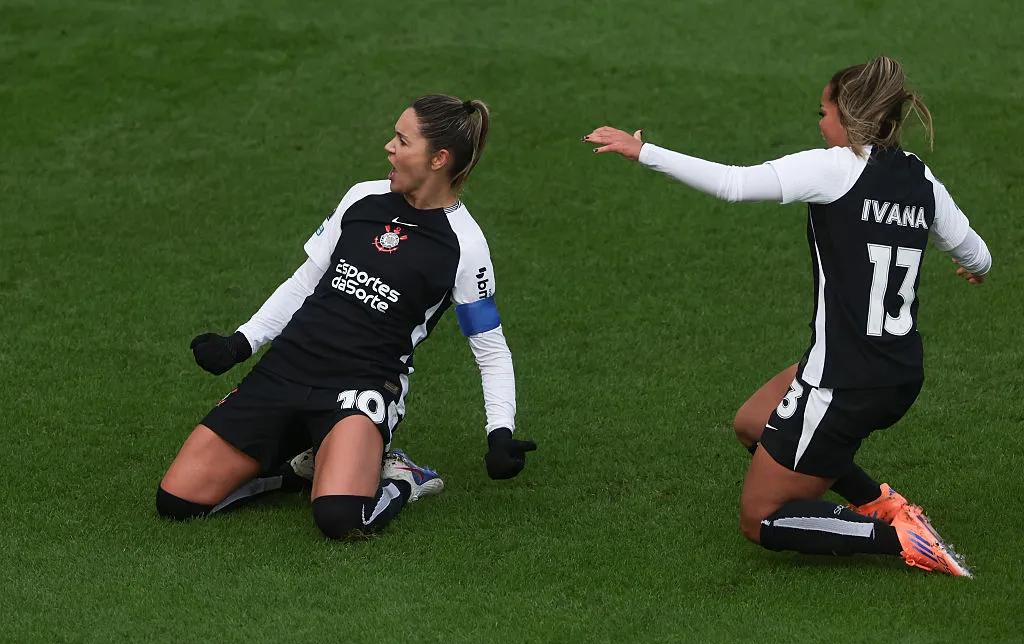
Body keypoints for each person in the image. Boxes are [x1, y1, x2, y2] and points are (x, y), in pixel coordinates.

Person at [583, 56, 990, 576]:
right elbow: (976, 253)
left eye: (824, 113)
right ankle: (881, 501)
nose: (819, 124)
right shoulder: (921, 178)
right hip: (899, 372)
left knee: (760, 519)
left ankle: (897, 538)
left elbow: (732, 184)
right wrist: (973, 269)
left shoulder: (835, 167)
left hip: (841, 381)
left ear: (850, 119)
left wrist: (643, 151)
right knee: (753, 423)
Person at [158, 94, 538, 540]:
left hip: (360, 387)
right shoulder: (363, 198)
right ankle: (303, 470)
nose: (388, 148)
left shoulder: (464, 245)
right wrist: (242, 341)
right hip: (287, 369)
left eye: (402, 140)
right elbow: (305, 282)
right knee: (177, 502)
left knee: (339, 519)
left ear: (438, 159)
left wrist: (500, 432)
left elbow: (490, 348)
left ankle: (400, 479)